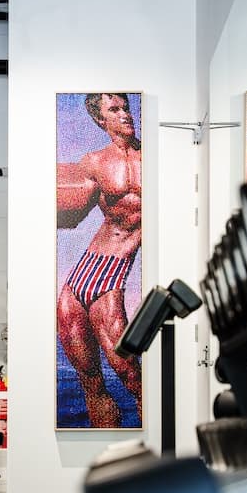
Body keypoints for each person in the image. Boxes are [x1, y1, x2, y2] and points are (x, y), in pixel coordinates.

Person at [57, 93, 142, 428]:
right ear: (100, 119)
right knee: (91, 384)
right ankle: (99, 451)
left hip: (112, 273)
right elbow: (70, 215)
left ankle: (156, 445)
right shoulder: (93, 162)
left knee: (130, 374)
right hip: (81, 276)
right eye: (114, 109)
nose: (125, 114)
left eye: (126, 107)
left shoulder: (155, 159)